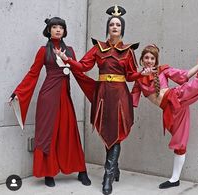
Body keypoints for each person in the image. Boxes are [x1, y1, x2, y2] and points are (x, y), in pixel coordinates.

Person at [54, 5, 154, 195]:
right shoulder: (98, 48)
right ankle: (114, 168)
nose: (114, 27)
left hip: (119, 96)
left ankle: (108, 176)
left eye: (118, 24)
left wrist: (142, 73)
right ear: (107, 28)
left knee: (116, 133)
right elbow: (83, 66)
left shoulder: (128, 51)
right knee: (107, 131)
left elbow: (131, 75)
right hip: (102, 95)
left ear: (122, 28)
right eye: (112, 24)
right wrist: (66, 59)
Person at [8, 17, 91, 187]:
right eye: (54, 27)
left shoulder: (70, 51)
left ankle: (81, 171)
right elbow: (33, 73)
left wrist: (99, 89)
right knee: (48, 134)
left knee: (70, 133)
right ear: (49, 30)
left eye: (61, 27)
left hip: (64, 97)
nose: (58, 30)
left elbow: (80, 73)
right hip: (48, 97)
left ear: (64, 31)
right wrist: (18, 92)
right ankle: (48, 173)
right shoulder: (42, 51)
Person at [131, 28, 198, 189]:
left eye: (152, 58)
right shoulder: (138, 80)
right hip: (172, 110)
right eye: (146, 58)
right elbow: (131, 102)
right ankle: (175, 179)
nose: (149, 60)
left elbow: (185, 75)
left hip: (176, 97)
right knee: (180, 144)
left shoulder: (163, 70)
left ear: (155, 61)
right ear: (142, 60)